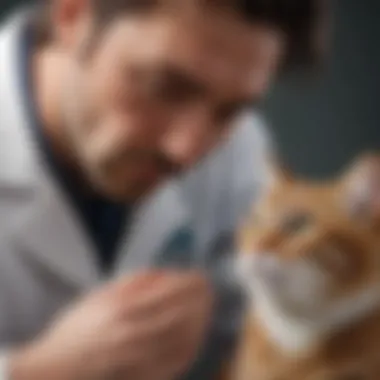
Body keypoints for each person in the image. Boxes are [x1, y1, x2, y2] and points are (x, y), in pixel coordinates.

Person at [0, 0, 326, 379]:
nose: (186, 150)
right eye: (164, 87)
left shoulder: (238, 149)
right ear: (73, 15)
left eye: (231, 110)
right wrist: (36, 371)